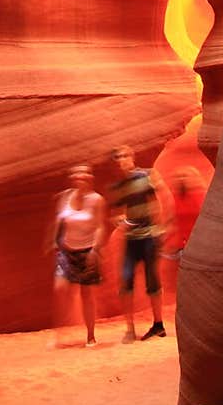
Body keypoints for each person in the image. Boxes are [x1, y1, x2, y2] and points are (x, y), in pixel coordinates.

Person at [107, 146, 169, 342]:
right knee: (126, 281)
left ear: (132, 156)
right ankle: (130, 329)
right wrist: (119, 220)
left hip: (150, 235)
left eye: (125, 155)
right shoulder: (119, 186)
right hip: (132, 238)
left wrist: (163, 227)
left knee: (153, 281)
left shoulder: (148, 175)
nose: (122, 160)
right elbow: (114, 212)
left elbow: (162, 198)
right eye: (117, 157)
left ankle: (159, 325)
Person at [48, 165, 107, 347]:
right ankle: (58, 334)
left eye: (83, 173)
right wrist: (54, 242)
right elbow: (59, 220)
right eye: (75, 174)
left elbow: (99, 226)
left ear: (90, 178)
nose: (79, 176)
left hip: (87, 250)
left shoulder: (97, 200)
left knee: (86, 294)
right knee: (60, 288)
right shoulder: (65, 197)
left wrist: (95, 249)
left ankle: (90, 336)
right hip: (66, 250)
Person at [163, 166, 207, 262]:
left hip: (201, 243)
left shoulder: (202, 195)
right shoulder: (174, 198)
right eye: (178, 177)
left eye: (184, 176)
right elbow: (170, 221)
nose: (182, 179)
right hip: (183, 246)